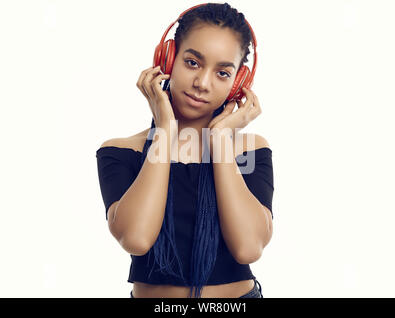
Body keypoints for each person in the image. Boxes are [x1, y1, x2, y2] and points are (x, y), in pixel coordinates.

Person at [96, 2, 274, 298]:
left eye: (222, 73)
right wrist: (165, 130)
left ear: (237, 82)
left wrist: (220, 140)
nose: (202, 83)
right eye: (192, 62)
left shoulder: (250, 149)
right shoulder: (120, 151)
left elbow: (248, 247)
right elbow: (136, 238)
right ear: (167, 60)